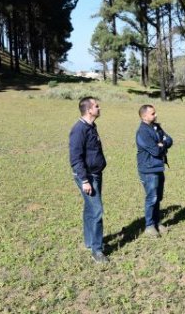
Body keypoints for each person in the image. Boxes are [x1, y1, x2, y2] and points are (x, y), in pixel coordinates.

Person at [69, 96, 108, 263]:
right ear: (89, 110)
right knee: (97, 210)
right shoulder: (79, 129)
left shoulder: (92, 126)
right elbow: (75, 158)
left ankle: (89, 241)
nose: (99, 109)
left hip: (96, 174)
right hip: (87, 176)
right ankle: (97, 251)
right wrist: (84, 181)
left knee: (90, 209)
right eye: (97, 106)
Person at [136, 105, 173, 237]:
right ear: (144, 116)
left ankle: (157, 222)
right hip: (148, 169)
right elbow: (155, 151)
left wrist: (162, 143)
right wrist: (161, 145)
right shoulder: (143, 132)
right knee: (152, 198)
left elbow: (169, 140)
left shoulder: (157, 127)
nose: (155, 115)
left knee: (158, 197)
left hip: (158, 167)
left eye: (155, 113)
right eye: (152, 114)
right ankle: (149, 226)